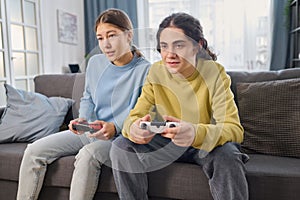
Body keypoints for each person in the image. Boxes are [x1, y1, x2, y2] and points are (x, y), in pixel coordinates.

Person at [110, 12, 249, 200]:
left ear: (197, 46)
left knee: (227, 155)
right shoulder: (156, 72)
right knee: (121, 146)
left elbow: (234, 129)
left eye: (179, 45)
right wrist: (134, 129)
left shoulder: (215, 73)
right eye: (164, 46)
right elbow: (134, 118)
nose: (170, 54)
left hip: (204, 144)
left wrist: (194, 132)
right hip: (167, 142)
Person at [17, 8, 150, 200]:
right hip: (92, 130)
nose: (106, 44)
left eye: (111, 36)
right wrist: (83, 119)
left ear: (129, 35)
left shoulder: (146, 70)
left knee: (88, 155)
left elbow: (143, 111)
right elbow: (88, 96)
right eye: (100, 38)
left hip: (119, 138)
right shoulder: (96, 62)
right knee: (34, 151)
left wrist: (115, 127)